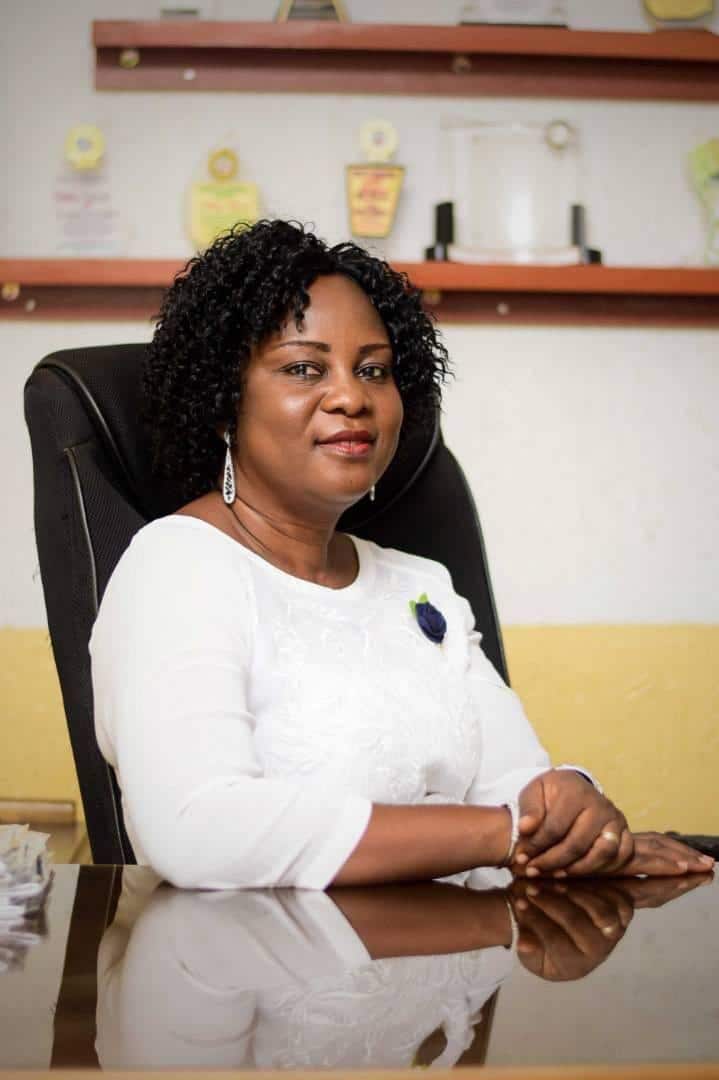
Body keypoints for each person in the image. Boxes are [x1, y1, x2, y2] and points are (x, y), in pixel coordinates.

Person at [89, 220, 713, 890]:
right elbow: (198, 829)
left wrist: (576, 812)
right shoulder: (177, 568)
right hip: (262, 952)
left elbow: (517, 787)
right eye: (303, 368)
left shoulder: (421, 586)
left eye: (373, 370)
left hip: (463, 943)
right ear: (223, 401)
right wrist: (499, 835)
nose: (352, 397)